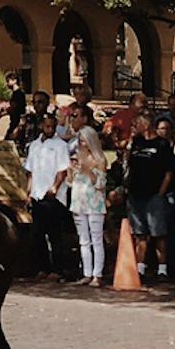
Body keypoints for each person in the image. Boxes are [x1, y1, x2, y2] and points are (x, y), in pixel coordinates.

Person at [123, 113, 175, 282]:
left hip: (154, 194)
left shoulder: (162, 144)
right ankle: (140, 267)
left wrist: (160, 193)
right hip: (136, 194)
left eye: (137, 124)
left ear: (146, 124)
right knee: (140, 233)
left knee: (158, 232)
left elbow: (169, 171)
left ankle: (162, 268)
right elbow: (130, 166)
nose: (134, 127)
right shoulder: (137, 143)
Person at [24, 112, 72, 276]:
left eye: (52, 126)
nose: (50, 129)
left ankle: (57, 269)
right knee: (38, 234)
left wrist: (55, 187)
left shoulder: (60, 146)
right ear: (41, 126)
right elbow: (30, 171)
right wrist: (28, 192)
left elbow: (62, 170)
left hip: (53, 197)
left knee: (55, 234)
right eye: (47, 126)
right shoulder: (34, 145)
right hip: (37, 194)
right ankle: (43, 267)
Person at [66, 108, 108, 283]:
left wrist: (88, 170)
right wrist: (71, 172)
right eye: (80, 141)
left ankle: (97, 274)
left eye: (84, 141)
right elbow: (70, 183)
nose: (82, 144)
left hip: (95, 203)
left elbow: (100, 184)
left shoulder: (99, 160)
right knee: (83, 240)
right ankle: (87, 272)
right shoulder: (77, 158)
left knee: (96, 239)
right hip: (79, 202)